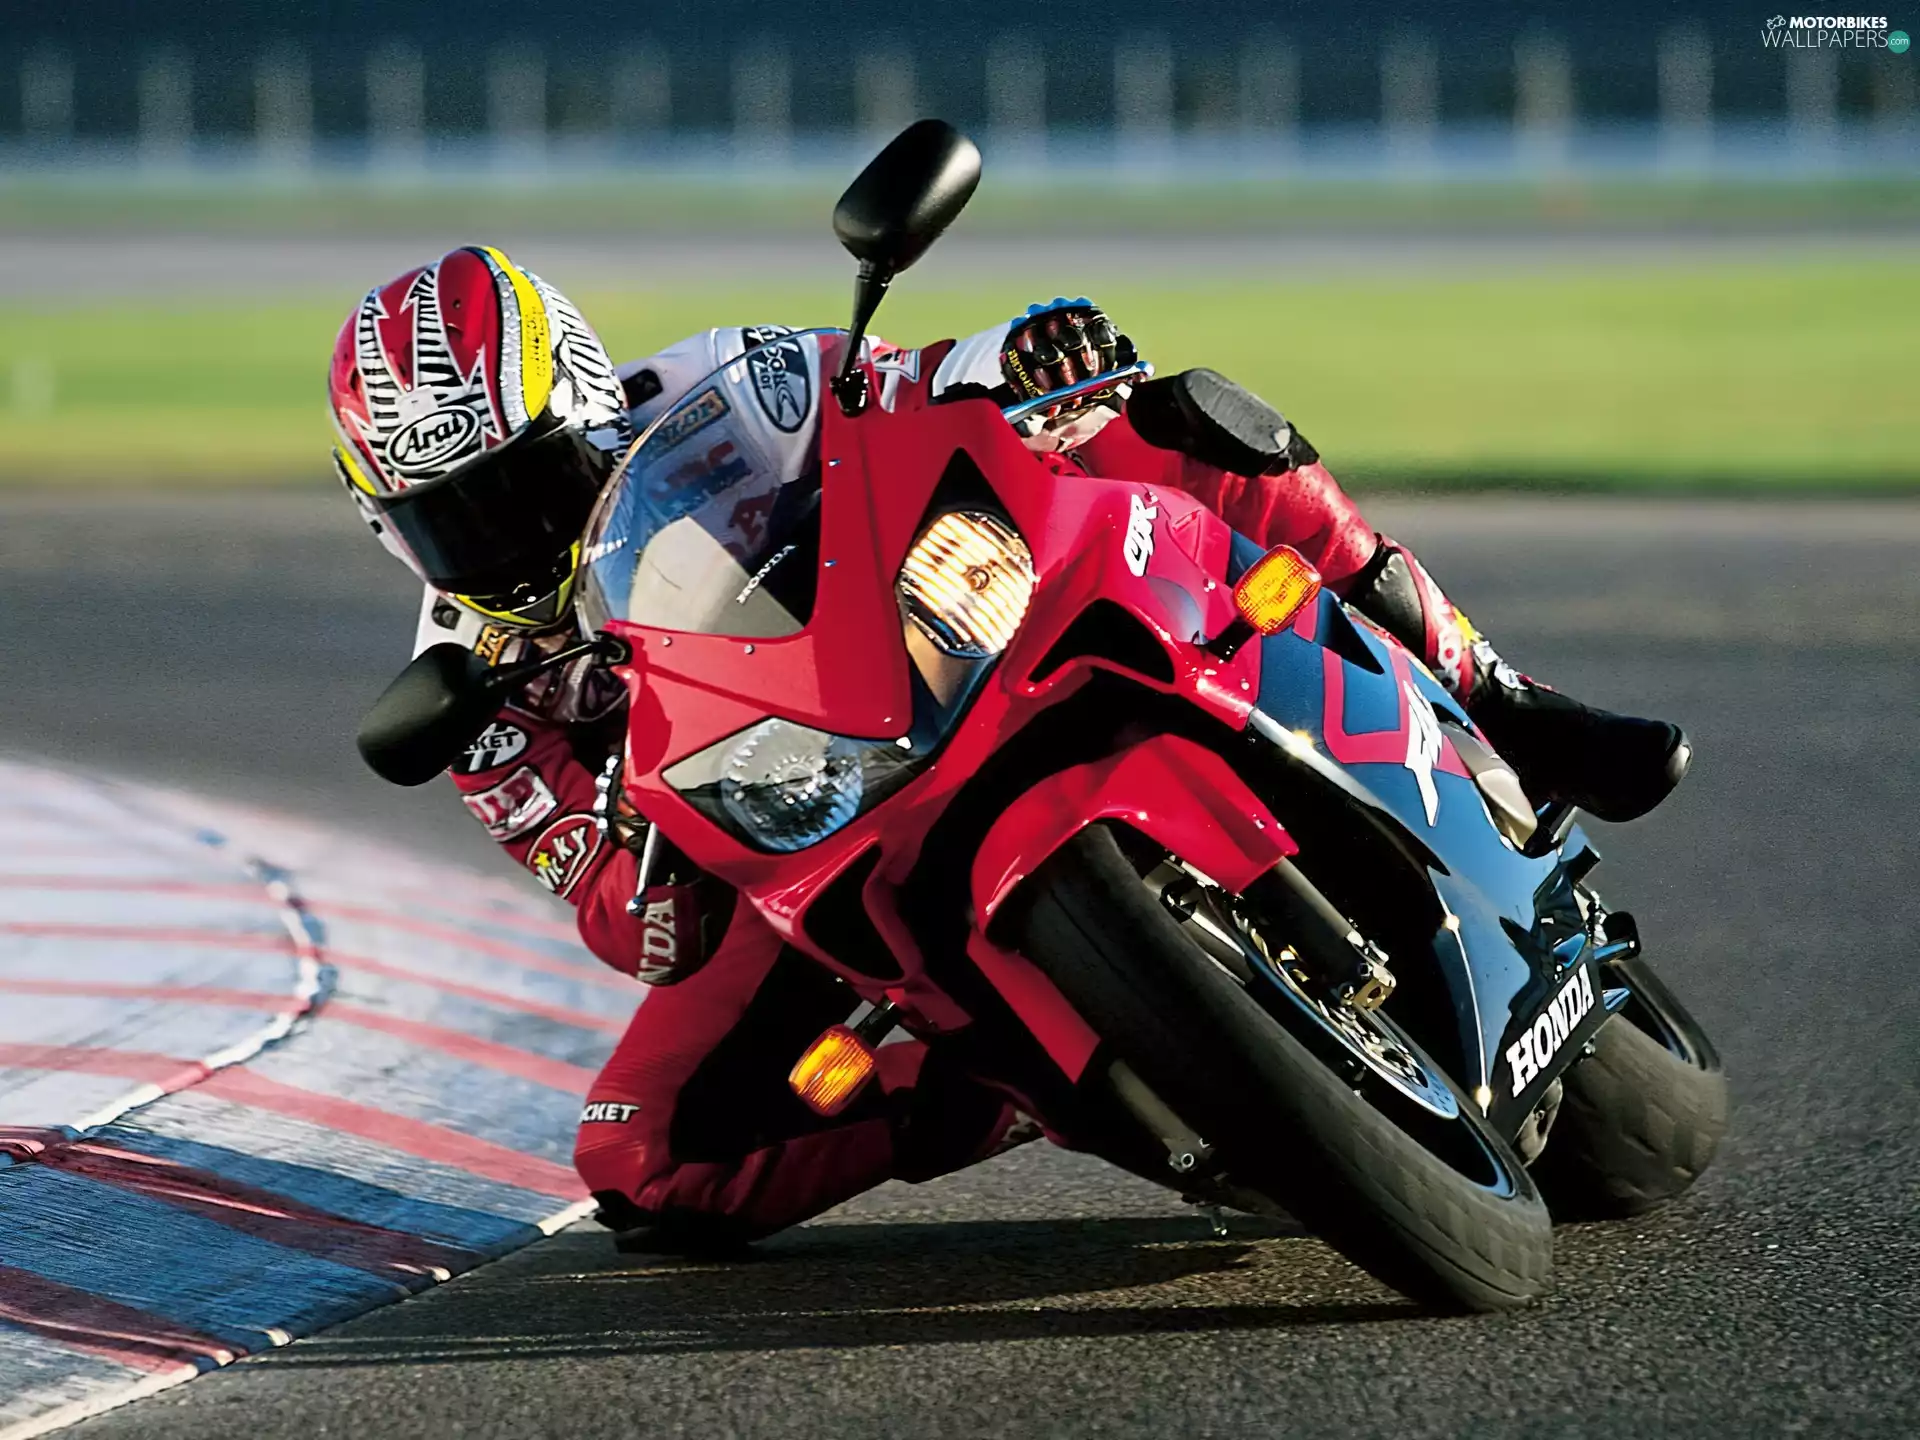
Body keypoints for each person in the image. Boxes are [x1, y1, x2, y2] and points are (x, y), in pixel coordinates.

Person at [328, 249, 1689, 1252]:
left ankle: (1498, 690)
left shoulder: (723, 384)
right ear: (393, 527)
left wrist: (1027, 358)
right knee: (642, 1163)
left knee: (1168, 416)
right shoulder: (474, 696)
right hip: (799, 825)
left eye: (534, 482)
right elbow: (621, 921)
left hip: (940, 633)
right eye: (463, 519)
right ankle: (1012, 1068)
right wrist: (644, 864)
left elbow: (924, 382)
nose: (519, 543)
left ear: (591, 403)